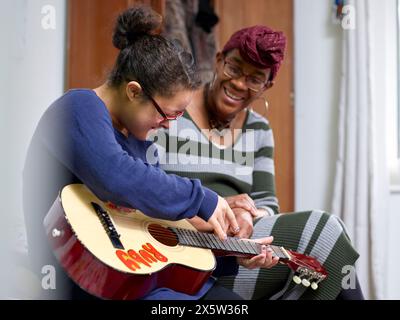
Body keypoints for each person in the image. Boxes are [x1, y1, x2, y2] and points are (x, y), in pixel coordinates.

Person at [22, 6, 279, 300]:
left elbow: (153, 234)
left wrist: (233, 256)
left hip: (135, 272)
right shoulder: (77, 107)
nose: (168, 126)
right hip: (84, 276)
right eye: (167, 115)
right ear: (133, 92)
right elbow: (117, 177)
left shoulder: (137, 137)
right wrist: (202, 198)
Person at [153, 25, 364, 300]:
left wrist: (247, 218)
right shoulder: (172, 112)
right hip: (182, 243)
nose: (240, 83)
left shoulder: (259, 129)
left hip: (239, 251)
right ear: (218, 60)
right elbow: (149, 185)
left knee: (320, 266)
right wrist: (215, 206)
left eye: (255, 79)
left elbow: (267, 203)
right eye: (235, 68)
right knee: (326, 230)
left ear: (267, 86)